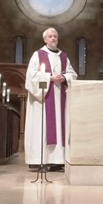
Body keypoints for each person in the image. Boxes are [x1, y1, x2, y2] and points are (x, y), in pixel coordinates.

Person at [24, 27, 77, 172]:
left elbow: (73, 74)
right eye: (50, 36)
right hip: (43, 100)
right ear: (45, 39)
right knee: (43, 128)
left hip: (60, 97)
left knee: (59, 128)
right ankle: (40, 160)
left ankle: (57, 160)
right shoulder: (38, 55)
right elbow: (31, 77)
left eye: (55, 36)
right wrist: (49, 78)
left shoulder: (63, 56)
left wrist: (64, 77)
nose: (53, 38)